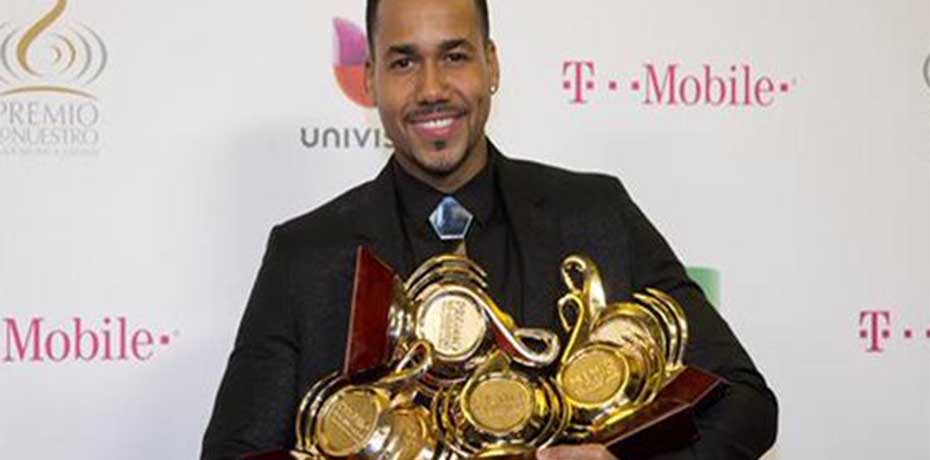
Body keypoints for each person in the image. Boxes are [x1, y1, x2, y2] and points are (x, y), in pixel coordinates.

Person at [201, 0, 778, 459]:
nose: (432, 88)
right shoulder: (305, 254)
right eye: (404, 62)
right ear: (370, 79)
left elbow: (745, 402)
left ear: (492, 65)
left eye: (455, 56)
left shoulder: (596, 213)